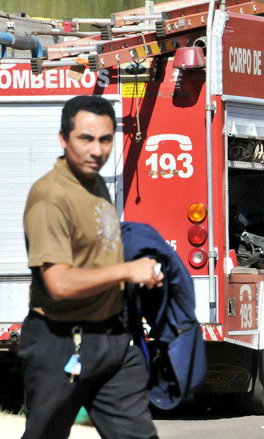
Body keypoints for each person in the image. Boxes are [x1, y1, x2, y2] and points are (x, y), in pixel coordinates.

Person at [19, 95, 163, 439]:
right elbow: (59, 283)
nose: (96, 151)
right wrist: (128, 272)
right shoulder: (50, 197)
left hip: (112, 340)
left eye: (105, 139)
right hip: (61, 342)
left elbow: (94, 257)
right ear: (63, 139)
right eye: (85, 139)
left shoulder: (96, 184)